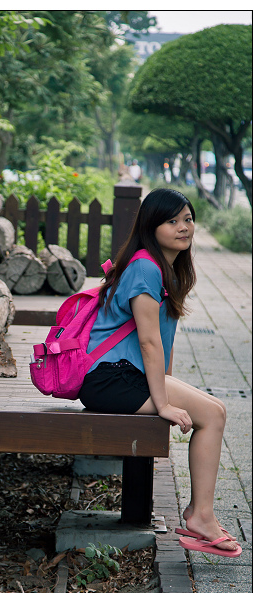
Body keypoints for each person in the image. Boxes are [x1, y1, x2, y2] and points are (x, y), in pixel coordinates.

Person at [78, 188, 241, 558]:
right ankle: (201, 516)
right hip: (108, 378)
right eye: (172, 221)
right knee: (213, 414)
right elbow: (149, 344)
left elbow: (162, 344)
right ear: (152, 226)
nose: (184, 227)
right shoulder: (145, 268)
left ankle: (201, 514)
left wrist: (166, 387)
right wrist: (163, 403)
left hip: (123, 375)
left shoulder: (166, 269)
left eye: (188, 219)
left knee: (213, 408)